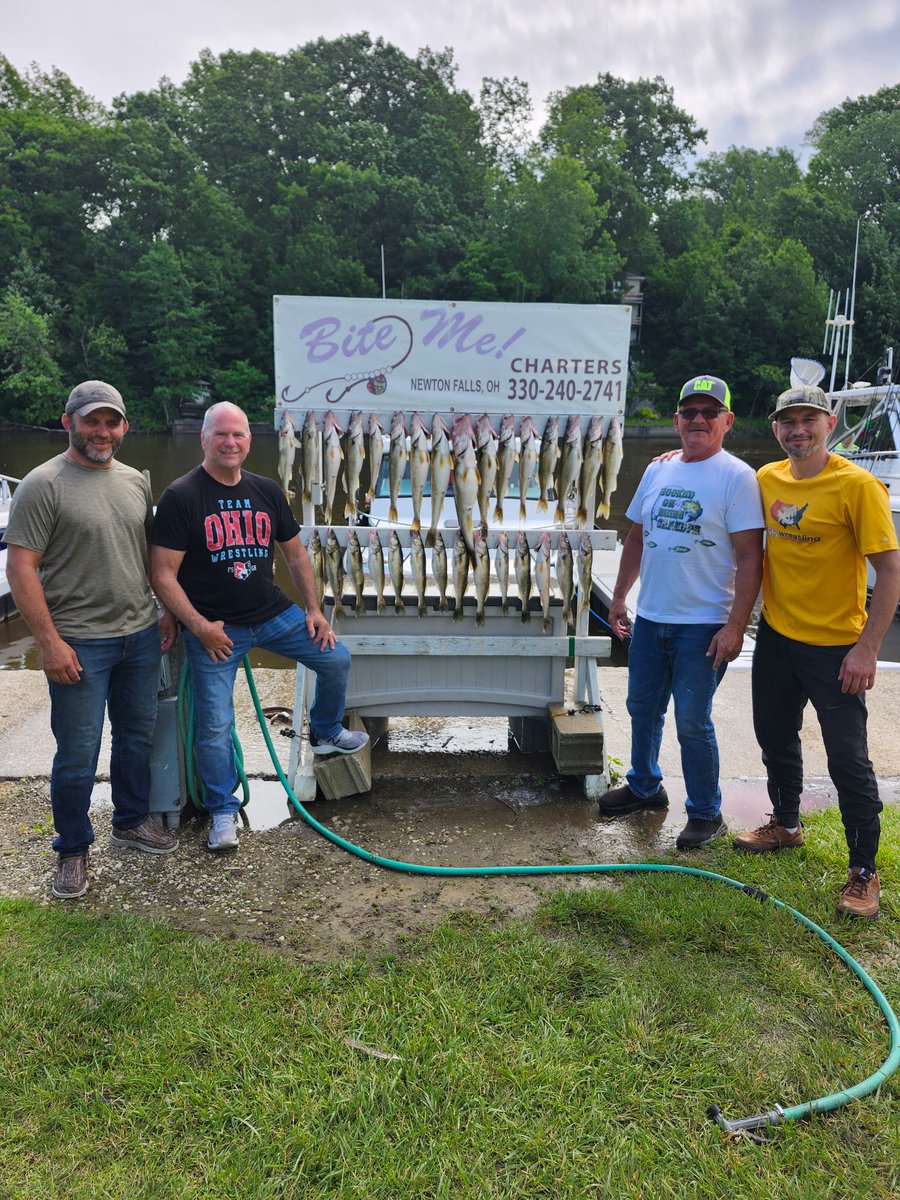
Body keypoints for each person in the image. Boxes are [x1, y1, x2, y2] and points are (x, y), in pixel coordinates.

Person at [149, 402, 367, 852]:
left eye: (239, 435)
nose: (231, 443)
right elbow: (162, 575)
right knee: (213, 724)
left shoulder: (266, 490)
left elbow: (295, 555)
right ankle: (222, 809)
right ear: (203, 439)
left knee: (335, 659)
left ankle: (326, 731)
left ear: (250, 440)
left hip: (273, 617)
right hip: (216, 632)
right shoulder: (181, 495)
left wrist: (314, 609)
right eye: (221, 434)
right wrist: (199, 627)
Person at [5, 381, 178, 900]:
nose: (102, 431)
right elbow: (20, 568)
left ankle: (130, 822)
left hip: (140, 636)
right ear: (69, 423)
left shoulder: (133, 482)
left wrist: (165, 609)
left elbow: (149, 554)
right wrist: (49, 643)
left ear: (124, 427)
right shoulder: (43, 483)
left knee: (135, 738)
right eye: (91, 421)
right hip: (80, 642)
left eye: (112, 421)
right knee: (77, 754)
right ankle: (73, 849)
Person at [733, 384, 900, 918]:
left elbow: (891, 574)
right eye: (788, 421)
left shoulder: (858, 485)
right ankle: (786, 823)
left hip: (835, 649)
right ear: (776, 428)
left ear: (830, 424)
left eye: (809, 420)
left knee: (848, 760)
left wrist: (867, 649)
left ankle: (864, 871)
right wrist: (678, 456)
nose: (797, 430)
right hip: (777, 639)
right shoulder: (767, 478)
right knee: (774, 736)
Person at [601, 375, 764, 849]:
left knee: (692, 719)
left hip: (705, 625)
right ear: (676, 420)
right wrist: (618, 598)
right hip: (651, 617)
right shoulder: (657, 470)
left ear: (727, 421)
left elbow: (751, 556)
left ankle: (706, 813)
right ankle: (645, 787)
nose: (698, 419)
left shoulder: (738, 477)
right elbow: (634, 538)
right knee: (642, 708)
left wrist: (736, 626)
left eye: (709, 412)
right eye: (689, 412)